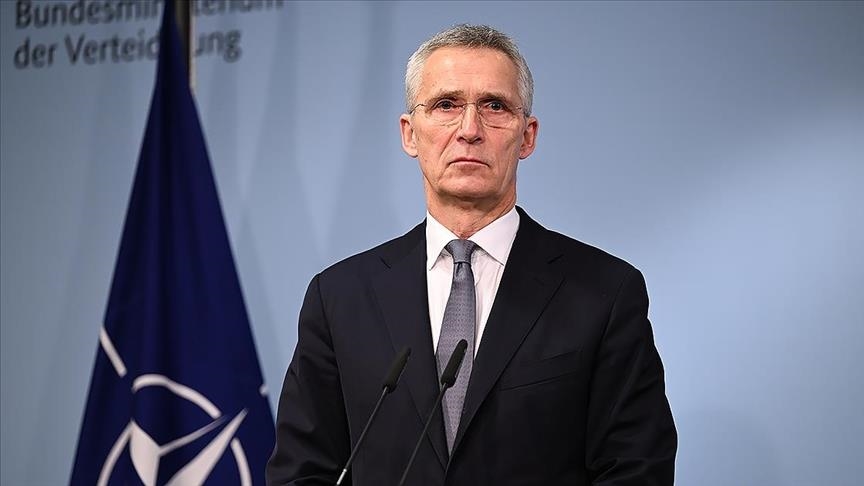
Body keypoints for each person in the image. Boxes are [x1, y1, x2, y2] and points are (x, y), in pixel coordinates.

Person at [267, 24, 677, 485]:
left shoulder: (603, 292)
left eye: (494, 106)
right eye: (446, 105)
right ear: (409, 134)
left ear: (527, 136)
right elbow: (302, 471)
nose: (469, 130)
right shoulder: (340, 297)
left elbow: (635, 470)